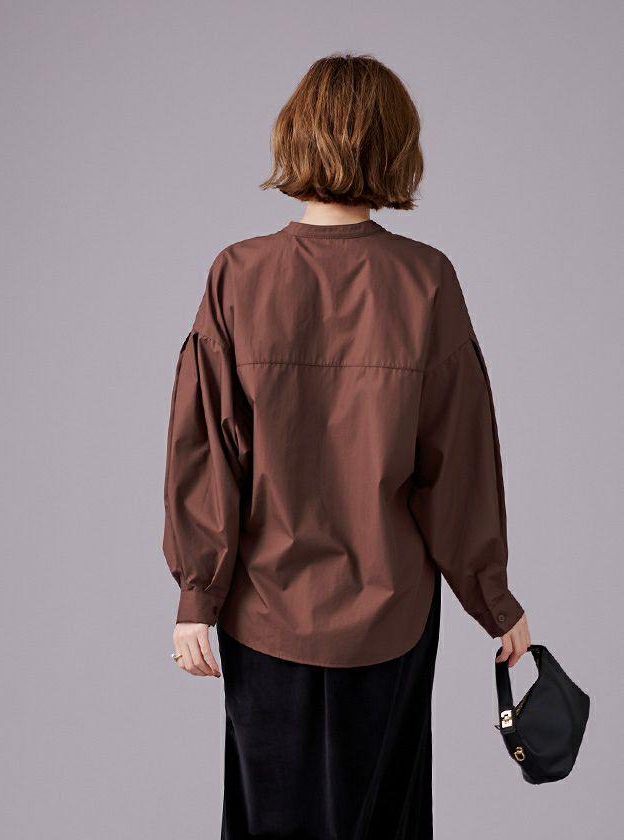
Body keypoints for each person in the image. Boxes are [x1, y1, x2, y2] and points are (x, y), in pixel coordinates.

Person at [162, 51, 531, 839]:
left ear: (294, 135)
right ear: (395, 147)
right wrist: (492, 599)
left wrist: (199, 596)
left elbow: (207, 453)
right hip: (391, 618)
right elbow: (457, 467)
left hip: (263, 614)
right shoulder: (427, 281)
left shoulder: (238, 275)